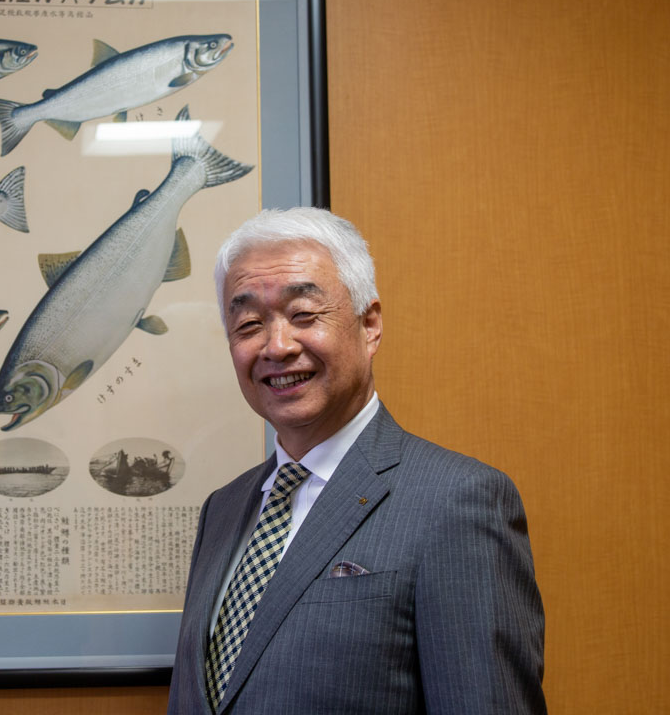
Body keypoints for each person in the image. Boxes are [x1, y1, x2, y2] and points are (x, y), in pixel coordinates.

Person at [168, 208, 545, 714]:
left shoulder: (457, 502)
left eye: (303, 315)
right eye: (249, 324)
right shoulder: (224, 509)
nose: (277, 346)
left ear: (369, 325)